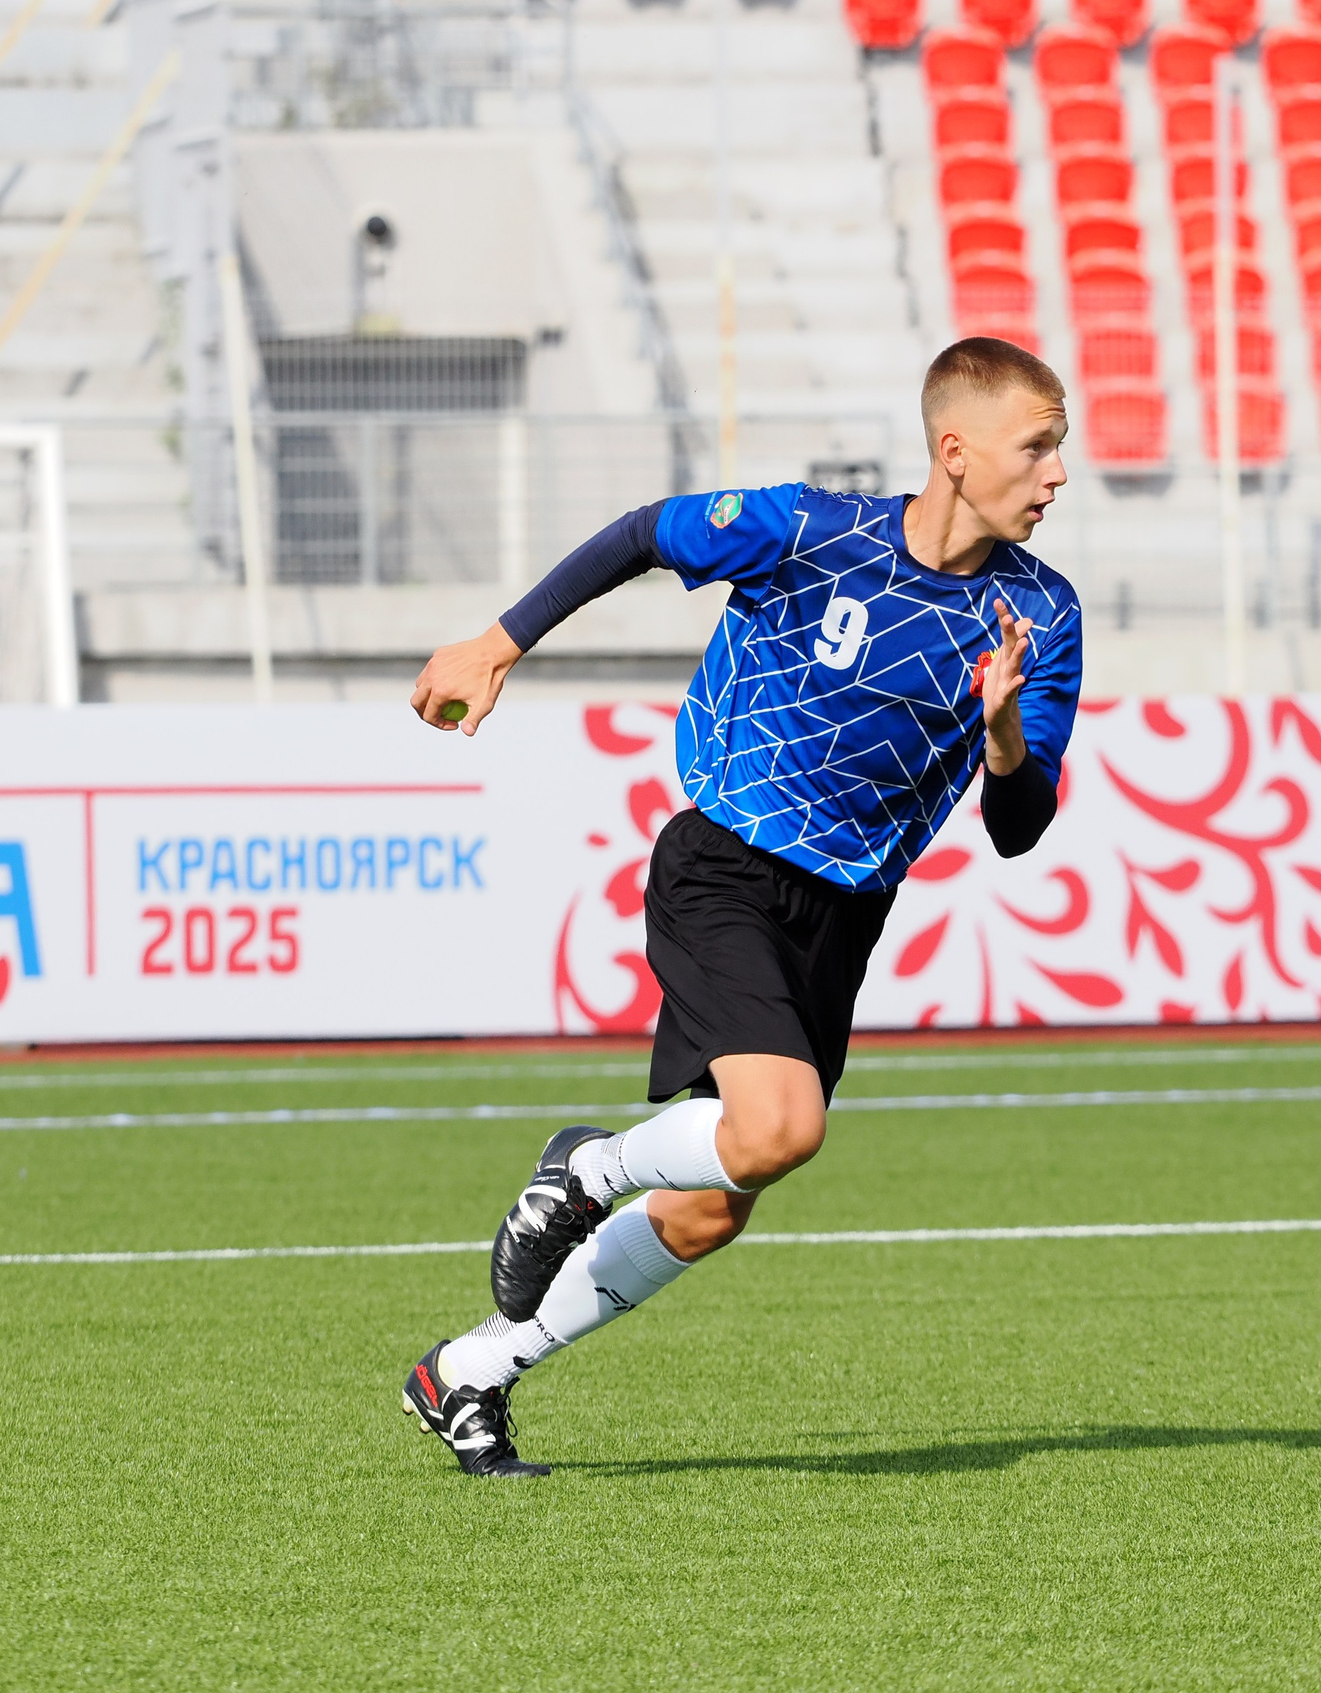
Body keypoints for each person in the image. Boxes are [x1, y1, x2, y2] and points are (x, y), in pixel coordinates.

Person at [398, 338, 1083, 1476]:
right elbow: (643, 532)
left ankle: (470, 1371)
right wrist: (500, 640)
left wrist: (1004, 730)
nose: (1058, 474)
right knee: (780, 1129)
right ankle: (585, 1170)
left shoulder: (1038, 616)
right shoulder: (813, 531)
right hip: (724, 863)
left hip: (843, 917)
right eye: (1038, 447)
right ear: (955, 452)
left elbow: (1018, 826)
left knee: (719, 1202)